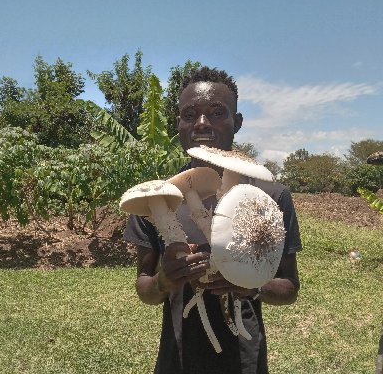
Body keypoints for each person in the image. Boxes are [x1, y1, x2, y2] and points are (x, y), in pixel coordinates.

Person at [123, 67, 302, 374]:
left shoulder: (270, 196)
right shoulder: (158, 199)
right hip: (177, 359)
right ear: (178, 122)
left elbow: (289, 287)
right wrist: (165, 280)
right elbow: (145, 288)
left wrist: (251, 285)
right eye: (189, 113)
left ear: (237, 122)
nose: (202, 122)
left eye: (217, 112)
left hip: (243, 358)